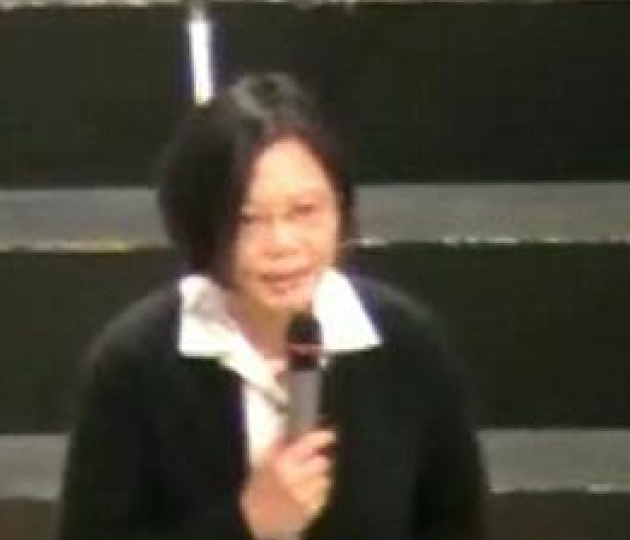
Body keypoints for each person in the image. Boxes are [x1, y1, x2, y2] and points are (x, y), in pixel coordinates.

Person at [57, 72, 486, 540]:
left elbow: (457, 523)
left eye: (305, 211)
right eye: (248, 220)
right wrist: (248, 525)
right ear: (203, 226)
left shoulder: (407, 345)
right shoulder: (134, 365)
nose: (282, 244)